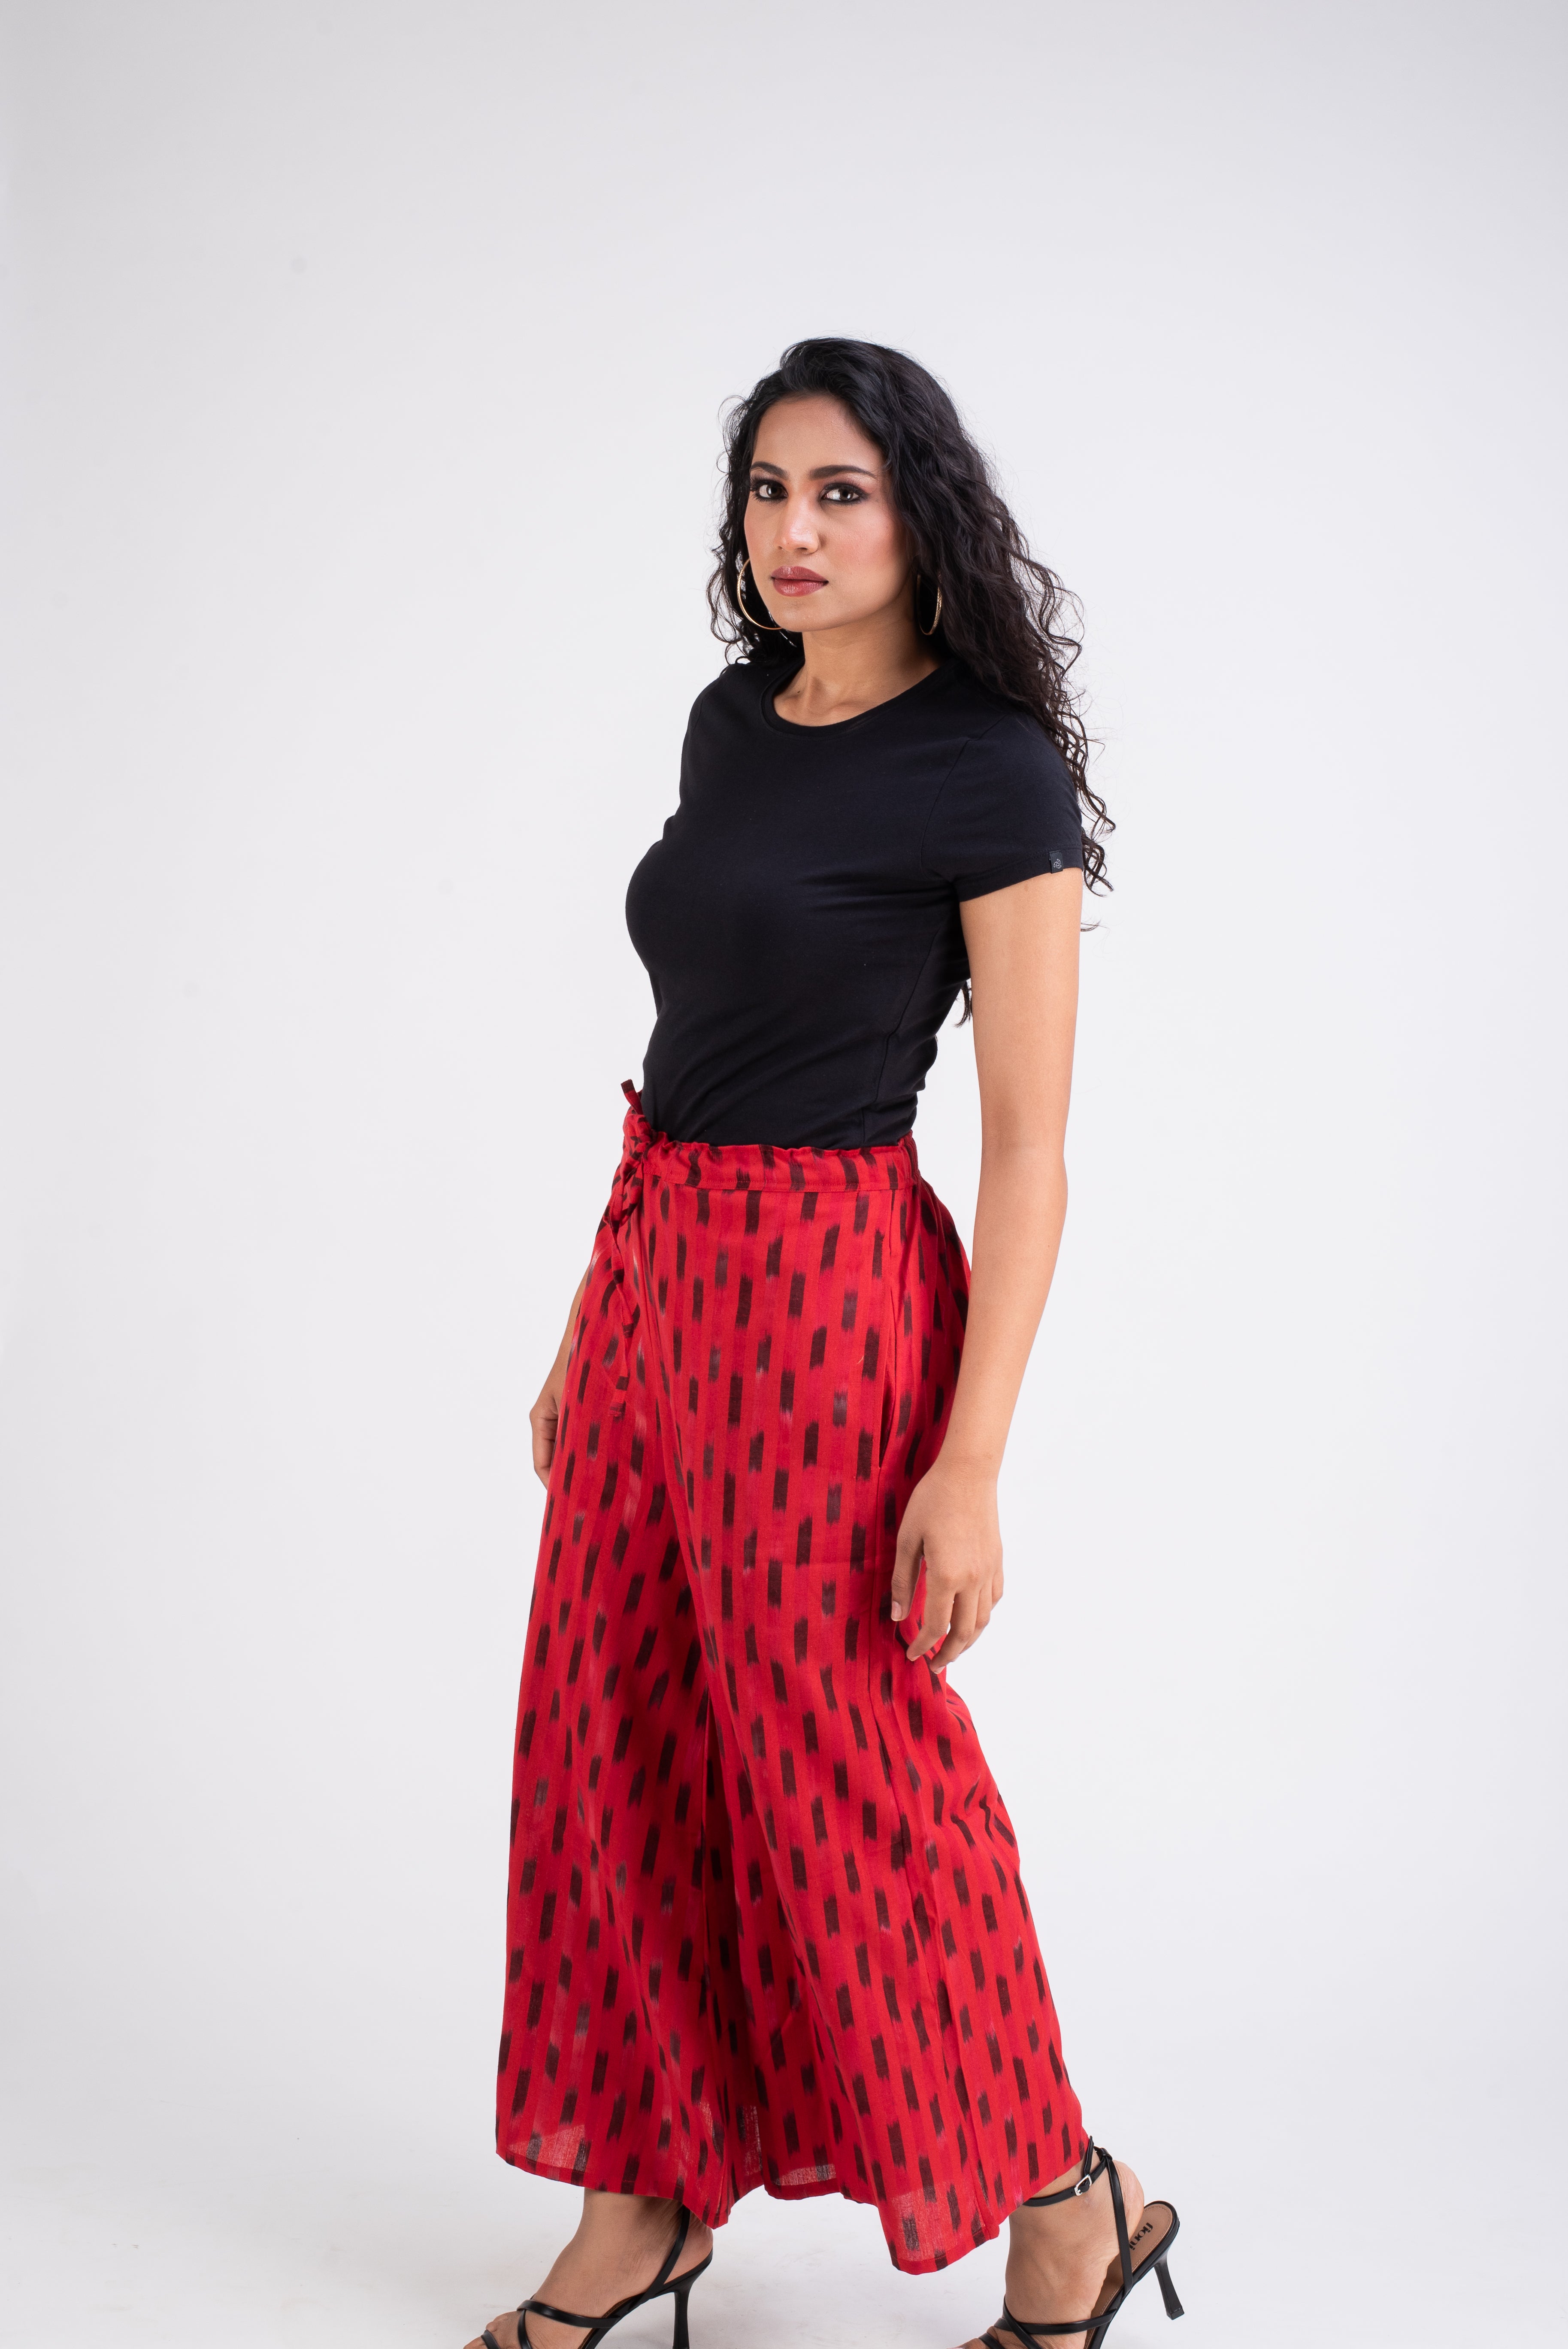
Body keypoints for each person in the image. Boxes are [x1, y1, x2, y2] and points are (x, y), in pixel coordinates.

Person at [465, 339, 1181, 2349]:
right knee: (612, 1739)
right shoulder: (735, 721)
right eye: (769, 490)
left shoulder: (988, 768)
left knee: (849, 1766)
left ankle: (1066, 2200)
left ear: (916, 512)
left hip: (827, 1296)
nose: (796, 528)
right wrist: (592, 1311)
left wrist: (969, 1461)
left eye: (840, 491)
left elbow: (1026, 1148)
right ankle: (639, 2204)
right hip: (657, 1274)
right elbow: (689, 1042)